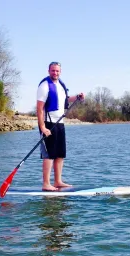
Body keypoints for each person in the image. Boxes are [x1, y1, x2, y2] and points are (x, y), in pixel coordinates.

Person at [36, 62, 84, 191]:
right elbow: (39, 109)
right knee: (49, 154)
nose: (55, 73)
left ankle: (58, 181)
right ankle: (46, 183)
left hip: (60, 123)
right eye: (53, 71)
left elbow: (65, 100)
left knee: (60, 154)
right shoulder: (44, 86)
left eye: (57, 71)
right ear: (48, 71)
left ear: (60, 72)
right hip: (48, 124)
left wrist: (77, 98)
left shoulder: (61, 85)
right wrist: (43, 127)